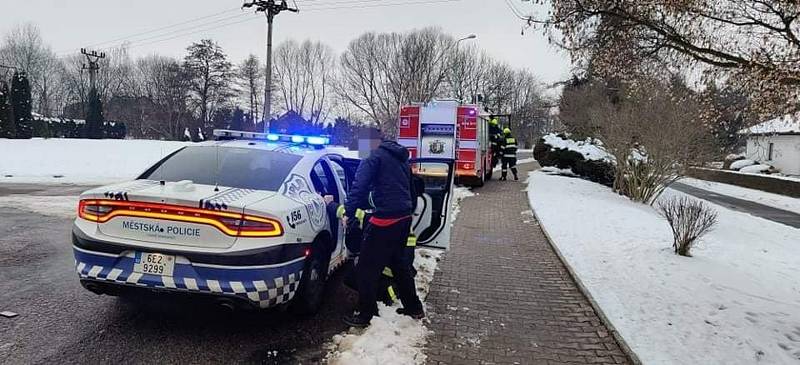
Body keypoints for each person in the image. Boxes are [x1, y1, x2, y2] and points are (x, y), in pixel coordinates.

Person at [342, 137, 424, 328]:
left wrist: (349, 212)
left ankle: (365, 315)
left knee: (365, 269)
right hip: (403, 218)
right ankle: (414, 308)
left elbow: (359, 187)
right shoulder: (400, 158)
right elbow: (411, 189)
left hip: (385, 220)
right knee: (399, 265)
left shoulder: (372, 157)